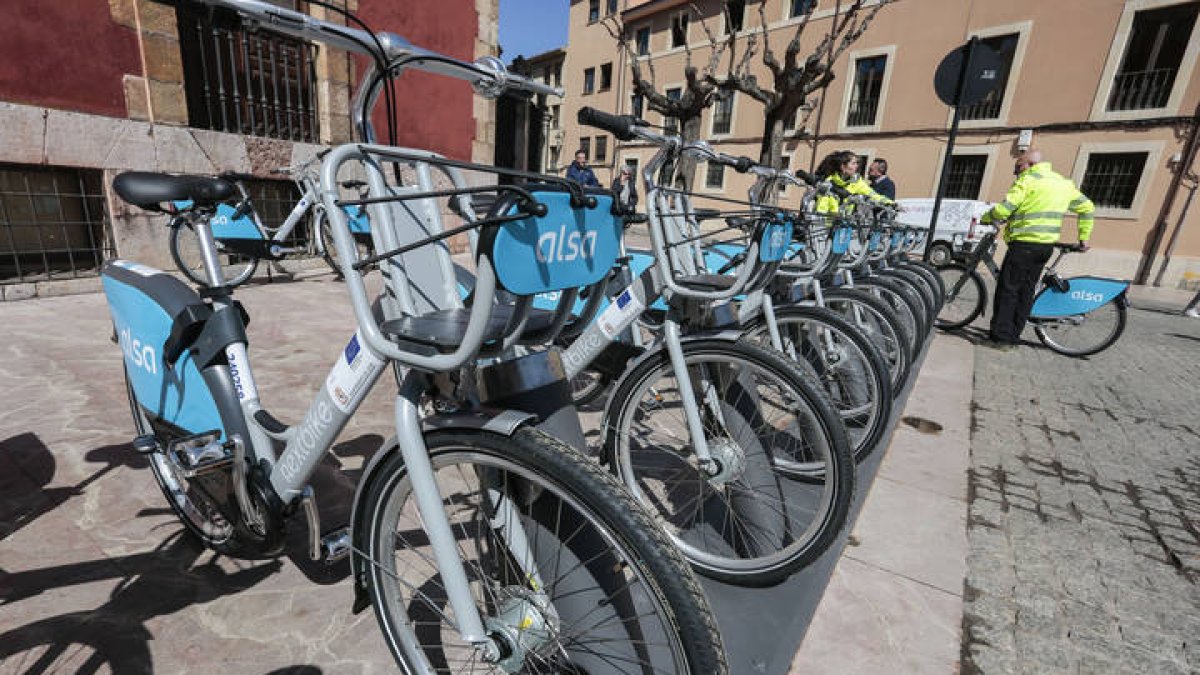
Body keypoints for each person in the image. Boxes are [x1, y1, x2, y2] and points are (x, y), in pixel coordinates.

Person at [981, 148, 1095, 350]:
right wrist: (1083, 237)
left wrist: (987, 217)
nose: (1016, 173)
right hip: (1045, 248)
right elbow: (1088, 208)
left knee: (1008, 291)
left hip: (1023, 245)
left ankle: (1000, 339)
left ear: (1029, 164)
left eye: (1018, 168)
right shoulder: (1063, 184)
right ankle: (1013, 336)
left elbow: (1004, 208)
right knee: (1026, 292)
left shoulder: (1028, 181)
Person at [812, 150, 894, 217]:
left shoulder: (857, 181)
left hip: (843, 224)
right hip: (825, 226)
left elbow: (873, 195)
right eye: (853, 163)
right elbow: (821, 207)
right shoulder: (829, 182)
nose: (856, 166)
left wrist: (891, 203)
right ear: (843, 167)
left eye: (857, 163)